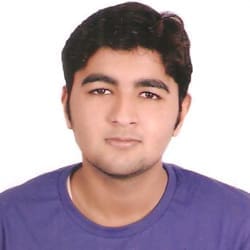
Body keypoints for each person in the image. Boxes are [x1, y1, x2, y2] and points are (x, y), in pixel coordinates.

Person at [0, 1, 249, 249]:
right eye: (101, 91)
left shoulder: (239, 227)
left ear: (181, 112)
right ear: (66, 106)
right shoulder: (8, 225)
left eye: (149, 94)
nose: (122, 115)